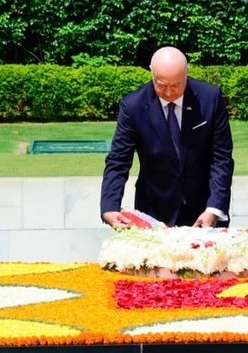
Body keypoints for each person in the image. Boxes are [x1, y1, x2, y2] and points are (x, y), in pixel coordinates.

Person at [100, 46, 234, 229]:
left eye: (177, 84)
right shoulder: (132, 106)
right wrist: (109, 207)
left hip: (204, 209)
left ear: (187, 73)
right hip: (154, 213)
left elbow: (221, 158)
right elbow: (118, 161)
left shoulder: (210, 98)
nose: (169, 92)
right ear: (151, 74)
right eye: (161, 85)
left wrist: (214, 208)